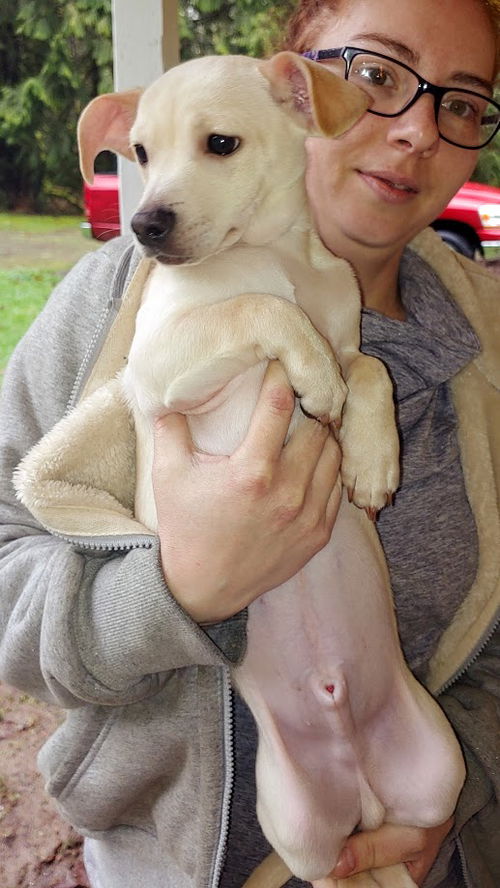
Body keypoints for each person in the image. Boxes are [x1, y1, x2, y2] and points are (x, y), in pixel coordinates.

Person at [0, 0, 499, 885]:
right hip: (170, 859)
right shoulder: (113, 303)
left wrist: (468, 793)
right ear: (301, 92)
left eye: (460, 103)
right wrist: (176, 590)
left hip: (425, 819)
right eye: (376, 76)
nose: (419, 129)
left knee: (434, 778)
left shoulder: (483, 336)